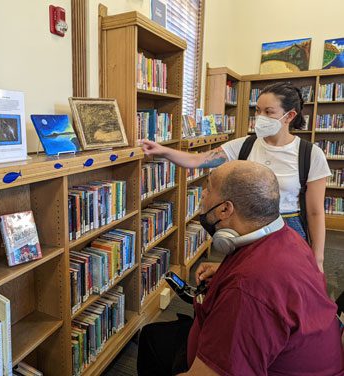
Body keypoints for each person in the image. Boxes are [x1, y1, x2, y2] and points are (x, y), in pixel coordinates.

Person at [137, 160, 343, 376]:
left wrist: (237, 282)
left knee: (153, 341)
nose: (203, 194)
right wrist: (226, 272)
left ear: (225, 209)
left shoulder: (249, 289)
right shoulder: (289, 239)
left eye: (208, 188)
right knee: (154, 336)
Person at [142, 82, 330, 272]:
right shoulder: (244, 145)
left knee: (283, 281)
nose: (260, 117)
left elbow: (315, 212)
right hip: (248, 226)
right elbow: (197, 160)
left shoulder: (310, 154)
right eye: (257, 110)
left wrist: (318, 259)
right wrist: (162, 150)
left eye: (269, 112)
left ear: (289, 116)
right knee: (244, 277)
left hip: (288, 228)